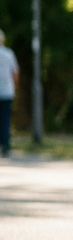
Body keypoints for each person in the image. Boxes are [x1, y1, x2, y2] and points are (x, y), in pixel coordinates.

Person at [0, 29, 19, 157]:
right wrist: (14, 86)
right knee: (5, 118)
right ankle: (5, 144)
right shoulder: (9, 54)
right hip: (7, 91)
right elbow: (15, 73)